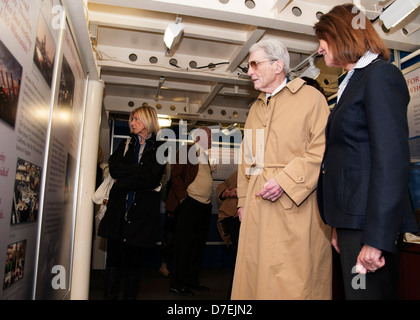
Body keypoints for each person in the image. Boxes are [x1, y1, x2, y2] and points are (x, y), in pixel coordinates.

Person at [314, 4, 419, 299]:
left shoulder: (380, 76)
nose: (319, 50)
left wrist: (376, 238)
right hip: (352, 222)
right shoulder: (352, 81)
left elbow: (391, 162)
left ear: (342, 35)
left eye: (322, 40)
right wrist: (338, 225)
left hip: (369, 225)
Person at [231, 38, 332, 300]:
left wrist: (285, 181)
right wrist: (242, 201)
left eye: (254, 63)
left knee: (292, 281)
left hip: (296, 207)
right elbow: (248, 159)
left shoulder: (312, 98)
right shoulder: (255, 109)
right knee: (255, 278)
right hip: (256, 207)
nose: (249, 71)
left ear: (278, 66)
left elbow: (323, 149)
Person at [97, 106, 166, 300]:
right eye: (131, 119)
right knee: (112, 264)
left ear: (148, 120)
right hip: (118, 214)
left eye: (136, 119)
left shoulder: (161, 147)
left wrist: (126, 179)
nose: (132, 123)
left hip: (140, 219)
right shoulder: (125, 144)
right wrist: (139, 172)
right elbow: (115, 170)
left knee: (133, 267)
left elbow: (152, 178)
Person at [165, 127, 213, 296]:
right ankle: (177, 284)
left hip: (205, 206)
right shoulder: (187, 150)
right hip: (190, 203)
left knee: (197, 247)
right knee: (183, 246)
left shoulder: (205, 155)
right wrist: (183, 198)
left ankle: (191, 281)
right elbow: (176, 176)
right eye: (209, 136)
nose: (211, 139)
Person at [216, 170, 240, 298]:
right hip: (235, 217)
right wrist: (227, 192)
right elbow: (222, 186)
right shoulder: (241, 171)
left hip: (248, 218)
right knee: (239, 259)